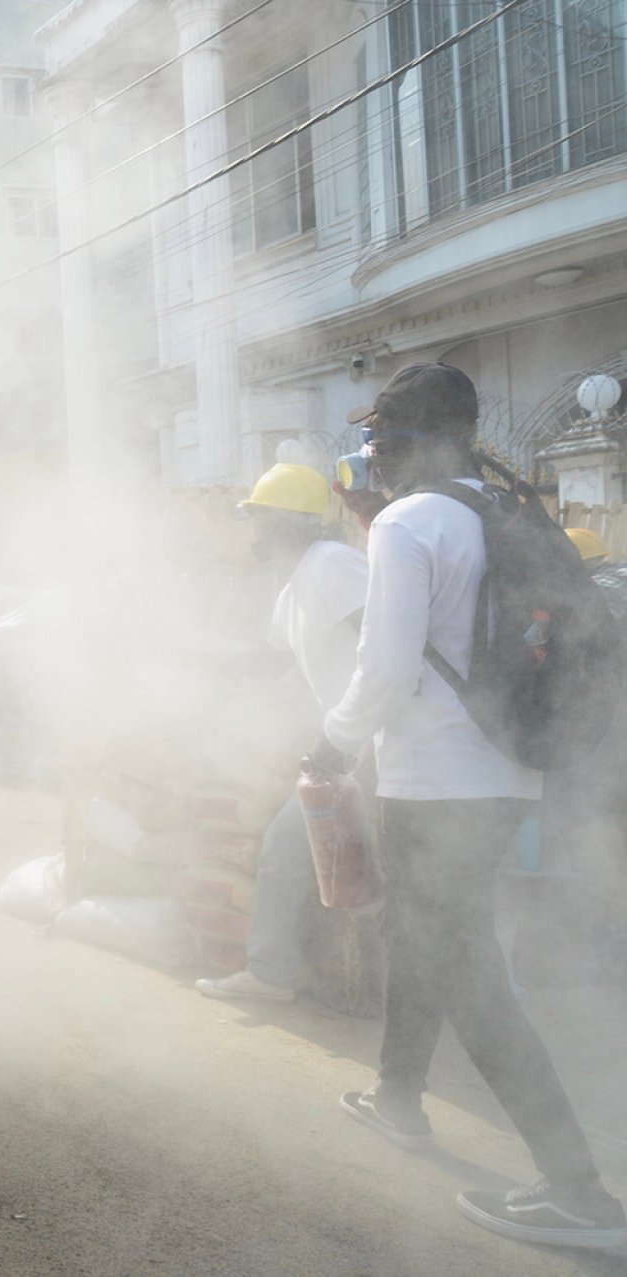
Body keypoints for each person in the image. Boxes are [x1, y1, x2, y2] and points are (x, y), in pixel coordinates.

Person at [311, 366, 626, 1250]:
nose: (373, 459)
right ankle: (398, 1096)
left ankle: (580, 1188)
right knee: (432, 939)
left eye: (379, 442)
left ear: (409, 443)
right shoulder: (505, 512)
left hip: (431, 781)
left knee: (466, 972)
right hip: (506, 776)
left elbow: (383, 666)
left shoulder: (409, 524)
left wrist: (333, 745)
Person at [196, 463, 367, 1004]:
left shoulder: (333, 565)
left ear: (283, 523)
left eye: (259, 519)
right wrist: (192, 664)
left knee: (285, 846)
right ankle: (316, 978)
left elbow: (385, 642)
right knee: (325, 860)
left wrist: (350, 728)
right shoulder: (296, 585)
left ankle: (271, 974)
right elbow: (272, 666)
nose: (253, 532)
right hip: (351, 745)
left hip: (370, 746)